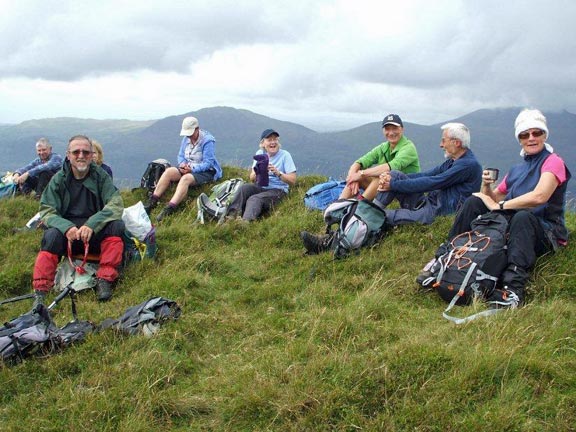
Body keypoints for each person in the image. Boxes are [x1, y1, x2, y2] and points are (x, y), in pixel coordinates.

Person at [420, 109, 571, 309]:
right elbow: (491, 198)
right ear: (519, 139)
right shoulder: (518, 169)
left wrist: (501, 205)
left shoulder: (553, 162)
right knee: (474, 202)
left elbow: (540, 196)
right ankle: (443, 259)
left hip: (545, 230)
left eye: (537, 133)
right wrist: (485, 186)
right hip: (514, 226)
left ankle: (513, 288)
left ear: (545, 135)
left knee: (523, 216)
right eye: (525, 135)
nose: (531, 138)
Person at [301, 122, 482, 254]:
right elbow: (428, 174)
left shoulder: (467, 165)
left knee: (385, 216)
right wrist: (391, 180)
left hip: (434, 213)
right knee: (394, 174)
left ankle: (329, 243)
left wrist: (393, 185)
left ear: (456, 143)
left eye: (444, 140)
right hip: (429, 203)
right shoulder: (454, 160)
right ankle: (368, 214)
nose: (441, 144)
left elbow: (434, 182)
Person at [31, 135, 125, 308]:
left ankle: (104, 280)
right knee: (50, 236)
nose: (81, 155)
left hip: (94, 235)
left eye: (85, 152)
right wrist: (67, 228)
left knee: (117, 226)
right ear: (68, 155)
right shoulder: (58, 179)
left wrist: (92, 224)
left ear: (91, 155)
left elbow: (116, 204)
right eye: (76, 152)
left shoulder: (101, 176)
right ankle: (41, 291)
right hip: (69, 238)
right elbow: (46, 210)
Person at [145, 116, 222, 221]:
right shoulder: (186, 139)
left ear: (197, 129)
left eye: (190, 134)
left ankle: (170, 208)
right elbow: (181, 155)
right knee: (169, 172)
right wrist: (182, 165)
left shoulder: (208, 141)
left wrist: (192, 169)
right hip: (188, 167)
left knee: (185, 179)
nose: (189, 137)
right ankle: (152, 202)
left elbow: (208, 163)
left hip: (206, 171)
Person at [339, 114, 420, 201]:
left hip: (406, 190)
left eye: (395, 128)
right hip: (388, 187)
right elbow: (360, 162)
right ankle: (337, 205)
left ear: (402, 129)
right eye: (387, 129)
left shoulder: (408, 148)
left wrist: (361, 174)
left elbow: (390, 167)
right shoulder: (383, 147)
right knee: (359, 175)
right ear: (383, 131)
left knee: (382, 175)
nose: (391, 133)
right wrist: (353, 177)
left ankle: (360, 206)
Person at [226, 129, 297, 222]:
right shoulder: (260, 153)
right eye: (269, 140)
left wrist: (278, 173)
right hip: (260, 186)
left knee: (254, 199)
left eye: (275, 139)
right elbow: (252, 178)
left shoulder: (285, 155)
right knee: (244, 188)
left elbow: (293, 180)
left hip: (278, 190)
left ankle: (245, 222)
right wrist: (258, 170)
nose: (273, 142)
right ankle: (230, 217)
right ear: (263, 143)